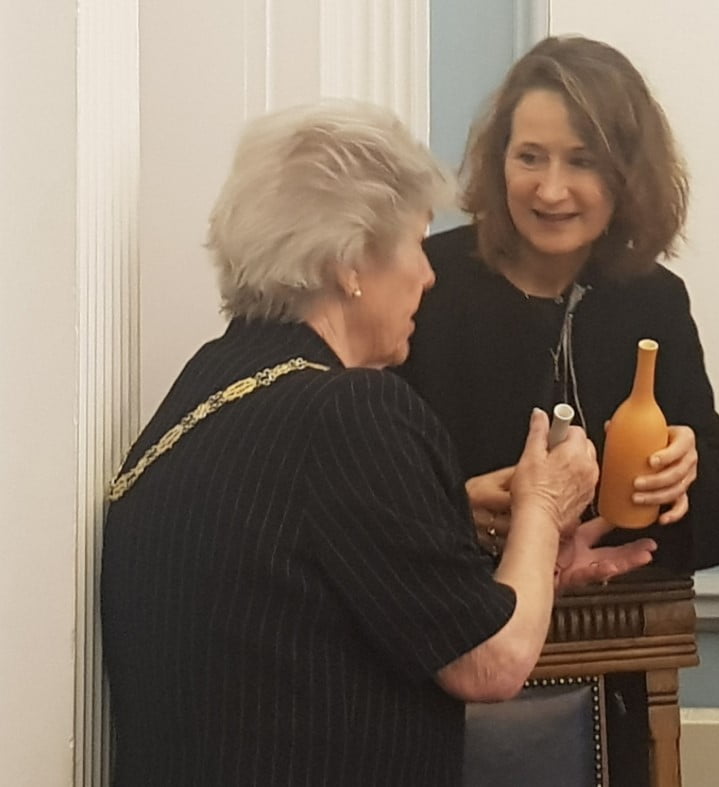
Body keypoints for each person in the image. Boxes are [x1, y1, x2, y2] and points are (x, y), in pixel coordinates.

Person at [99, 100, 655, 787]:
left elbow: (301, 600)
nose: (428, 274)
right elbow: (492, 662)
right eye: (418, 242)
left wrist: (505, 548)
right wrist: (543, 504)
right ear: (351, 261)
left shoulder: (204, 392)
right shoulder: (350, 410)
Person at [392, 35, 719, 785]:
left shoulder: (652, 296)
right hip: (445, 677)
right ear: (499, 162)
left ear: (628, 174)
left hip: (613, 679)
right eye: (530, 156)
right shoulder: (429, 286)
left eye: (582, 161)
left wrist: (679, 484)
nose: (551, 189)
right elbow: (369, 487)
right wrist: (459, 512)